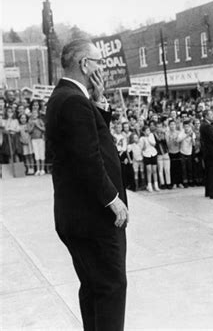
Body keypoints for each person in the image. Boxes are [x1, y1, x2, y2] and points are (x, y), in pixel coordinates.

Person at [45, 39, 128, 331]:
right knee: (111, 288)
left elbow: (91, 137)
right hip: (93, 217)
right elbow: (88, 158)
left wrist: (99, 101)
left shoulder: (69, 98)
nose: (102, 68)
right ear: (85, 65)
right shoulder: (72, 101)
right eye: (99, 62)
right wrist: (112, 199)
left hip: (80, 217)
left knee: (95, 288)